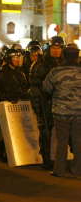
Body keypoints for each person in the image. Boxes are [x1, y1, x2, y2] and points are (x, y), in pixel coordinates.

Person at [43, 46, 81, 177]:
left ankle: (59, 170)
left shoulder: (56, 71)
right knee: (78, 141)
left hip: (60, 113)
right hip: (79, 113)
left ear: (63, 57)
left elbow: (46, 88)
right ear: (77, 57)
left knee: (61, 142)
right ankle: (78, 170)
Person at [29, 36, 64, 170]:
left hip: (62, 103)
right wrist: (37, 104)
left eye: (58, 48)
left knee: (66, 132)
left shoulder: (65, 64)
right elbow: (34, 87)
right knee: (45, 132)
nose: (56, 51)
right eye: (53, 48)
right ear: (49, 49)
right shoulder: (38, 65)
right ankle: (46, 158)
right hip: (45, 103)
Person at [0, 49, 28, 162]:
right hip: (4, 106)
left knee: (17, 130)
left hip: (18, 106)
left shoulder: (21, 74)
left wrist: (25, 96)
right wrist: (6, 98)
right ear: (8, 59)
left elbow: (25, 88)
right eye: (15, 58)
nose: (17, 60)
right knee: (6, 130)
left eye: (19, 58)